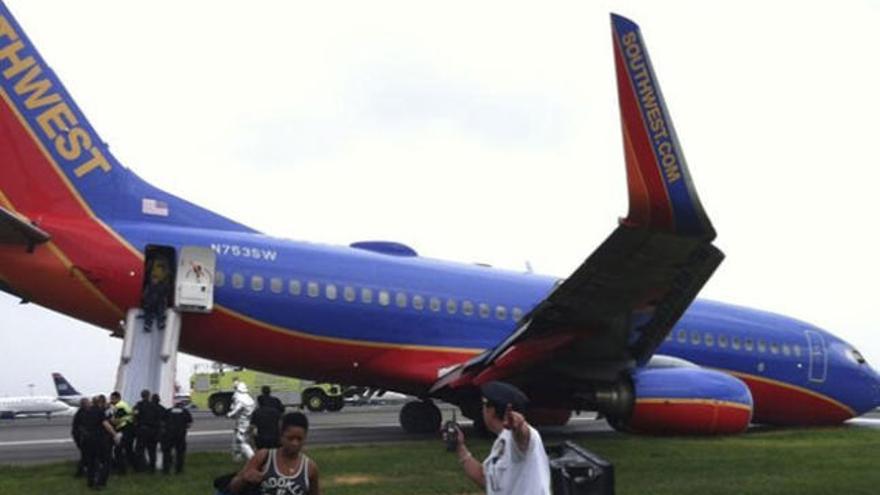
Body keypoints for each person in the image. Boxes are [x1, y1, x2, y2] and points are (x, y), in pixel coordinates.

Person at [452, 381, 551, 495]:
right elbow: (485, 478)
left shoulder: (520, 439)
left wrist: (519, 425)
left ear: (491, 410)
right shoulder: (502, 441)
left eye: (483, 404)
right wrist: (460, 448)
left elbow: (524, 437)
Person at [228, 412, 320, 494]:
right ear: (281, 436)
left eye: (299, 439)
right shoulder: (264, 457)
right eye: (290, 438)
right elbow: (233, 488)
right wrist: (244, 479)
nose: (295, 443)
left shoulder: (309, 468)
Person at [82, 395, 117, 490]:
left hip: (88, 439)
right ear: (100, 403)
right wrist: (115, 434)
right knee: (106, 461)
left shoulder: (86, 412)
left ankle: (90, 482)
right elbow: (106, 424)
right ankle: (101, 482)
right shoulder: (100, 411)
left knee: (92, 462)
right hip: (99, 440)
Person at [161, 398, 193, 474]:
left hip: (169, 435)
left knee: (167, 453)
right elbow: (189, 424)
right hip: (180, 435)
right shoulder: (185, 412)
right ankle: (179, 470)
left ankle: (166, 470)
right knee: (180, 454)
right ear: (181, 405)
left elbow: (162, 422)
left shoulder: (168, 411)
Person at [133, 389, 163, 472]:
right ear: (149, 396)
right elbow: (159, 419)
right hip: (153, 431)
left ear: (141, 396)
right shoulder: (154, 406)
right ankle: (152, 468)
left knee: (139, 450)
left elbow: (135, 416)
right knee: (152, 450)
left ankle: (140, 468)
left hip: (142, 430)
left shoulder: (138, 405)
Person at [142, 255, 172, 332]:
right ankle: (150, 324)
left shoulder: (159, 286)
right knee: (151, 310)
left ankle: (156, 323)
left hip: (157, 302)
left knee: (158, 309)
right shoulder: (152, 286)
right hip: (152, 302)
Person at [109, 391, 137, 473]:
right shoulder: (125, 404)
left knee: (118, 450)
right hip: (129, 428)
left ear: (118, 398)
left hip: (124, 428)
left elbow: (116, 420)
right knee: (129, 449)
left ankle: (121, 470)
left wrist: (110, 421)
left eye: (113, 399)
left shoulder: (119, 406)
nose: (111, 401)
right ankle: (137, 467)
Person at [227, 380, 256, 461]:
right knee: (238, 440)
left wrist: (230, 414)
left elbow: (237, 408)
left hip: (242, 423)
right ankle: (237, 457)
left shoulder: (240, 397)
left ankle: (252, 458)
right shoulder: (248, 397)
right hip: (248, 421)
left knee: (241, 440)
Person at [71, 397, 91, 478]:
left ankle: (82, 471)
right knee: (86, 454)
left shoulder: (81, 412)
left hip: (79, 436)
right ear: (84, 404)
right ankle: (80, 473)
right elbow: (81, 427)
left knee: (86, 455)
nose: (90, 404)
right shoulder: (82, 414)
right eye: (88, 403)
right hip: (81, 437)